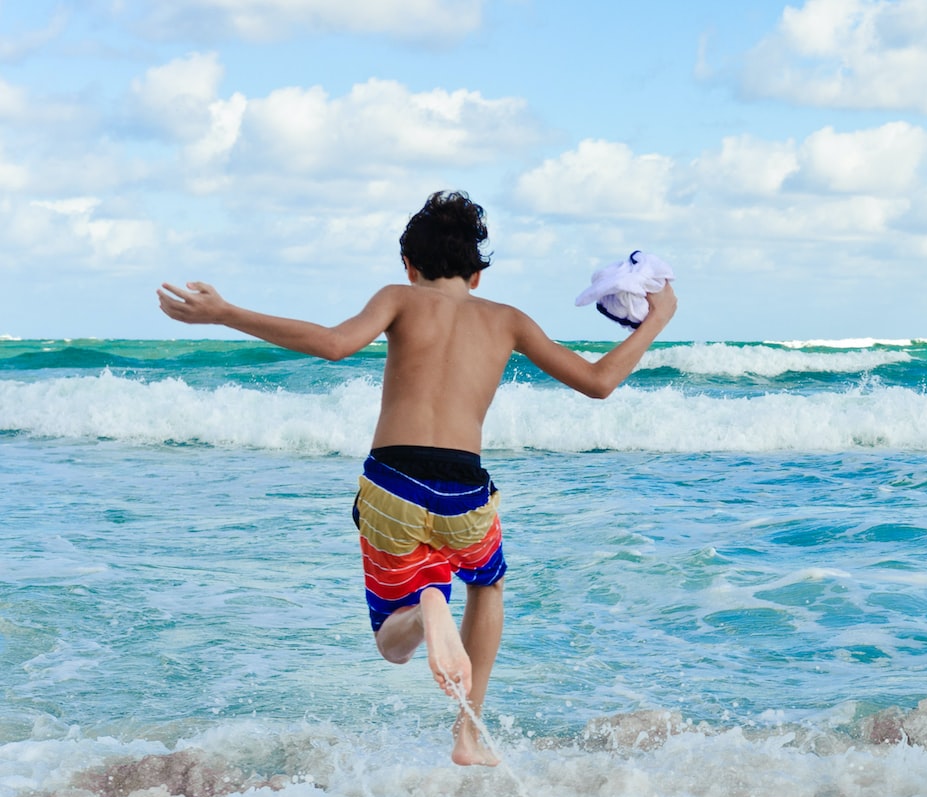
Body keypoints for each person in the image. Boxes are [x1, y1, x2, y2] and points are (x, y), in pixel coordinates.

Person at [157, 191, 677, 767]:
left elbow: (333, 345)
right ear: (478, 275)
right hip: (464, 490)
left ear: (409, 264)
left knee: (391, 641)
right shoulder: (508, 320)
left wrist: (225, 313)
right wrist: (657, 320)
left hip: (393, 483)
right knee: (487, 583)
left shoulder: (398, 298)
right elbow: (599, 381)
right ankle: (468, 733)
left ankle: (427, 604)